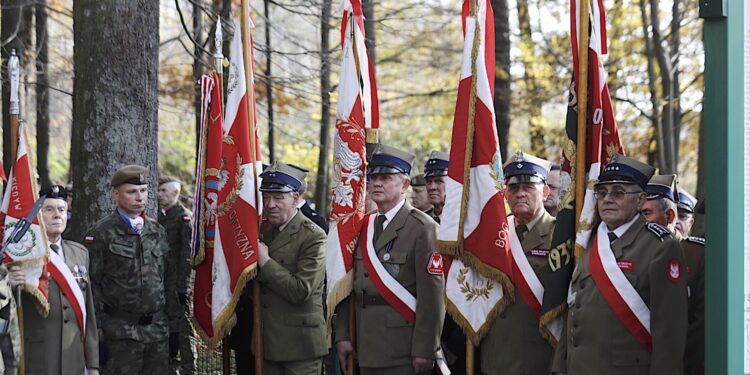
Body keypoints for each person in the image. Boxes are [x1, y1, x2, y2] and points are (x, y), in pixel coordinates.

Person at [551, 154, 688, 374]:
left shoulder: (660, 247)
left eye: (618, 192)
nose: (607, 199)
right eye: (602, 193)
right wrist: (559, 367)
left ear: (641, 199)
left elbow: (669, 334)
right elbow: (573, 311)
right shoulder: (589, 242)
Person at [335, 145, 445, 375]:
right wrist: (344, 334)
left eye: (385, 177)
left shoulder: (423, 229)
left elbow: (432, 297)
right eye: (373, 177)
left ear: (405, 184)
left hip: (401, 345)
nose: (376, 183)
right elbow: (347, 285)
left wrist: (425, 348)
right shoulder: (363, 226)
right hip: (363, 342)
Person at [85, 165, 178, 375]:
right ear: (115, 194)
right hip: (119, 334)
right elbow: (92, 287)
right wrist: (98, 337)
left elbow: (168, 280)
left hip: (157, 333)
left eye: (143, 191)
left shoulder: (157, 231)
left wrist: (175, 328)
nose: (140, 197)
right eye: (132, 192)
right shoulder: (101, 234)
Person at [9, 185, 100, 375]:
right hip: (37, 356)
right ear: (37, 216)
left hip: (74, 356)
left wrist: (92, 364)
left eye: (62, 210)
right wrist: (9, 283)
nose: (57, 215)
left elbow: (88, 312)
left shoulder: (79, 253)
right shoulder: (21, 254)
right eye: (49, 209)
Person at [480, 151, 556, 375]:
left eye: (528, 187)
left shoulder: (559, 237)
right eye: (513, 188)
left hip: (538, 357)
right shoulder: (494, 233)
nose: (520, 194)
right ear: (505, 193)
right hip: (494, 355)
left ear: (545, 192)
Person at [253, 162, 328, 374]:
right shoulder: (263, 231)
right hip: (265, 343)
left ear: (295, 199)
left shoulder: (313, 235)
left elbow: (301, 290)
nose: (270, 204)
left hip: (300, 347)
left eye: (278, 198)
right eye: (266, 197)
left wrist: (265, 262)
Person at [641, 175, 705, 375]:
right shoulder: (633, 253)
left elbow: (700, 325)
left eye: (683, 215)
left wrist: (679, 364)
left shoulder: (695, 255)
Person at [157, 177, 196, 375]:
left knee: (181, 326)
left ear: (175, 194)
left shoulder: (183, 218)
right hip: (160, 280)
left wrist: (183, 286)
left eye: (164, 191)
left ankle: (189, 366)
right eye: (159, 190)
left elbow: (186, 255)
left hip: (176, 282)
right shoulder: (158, 216)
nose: (159, 194)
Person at [424, 151, 448, 223]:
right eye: (429, 181)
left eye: (439, 181)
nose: (432, 187)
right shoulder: (422, 221)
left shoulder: (463, 220)